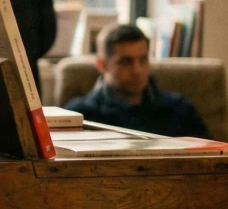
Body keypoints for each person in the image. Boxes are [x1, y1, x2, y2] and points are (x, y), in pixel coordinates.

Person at [63, 23, 209, 138]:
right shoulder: (80, 116)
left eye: (143, 60)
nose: (137, 70)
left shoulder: (179, 110)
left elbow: (213, 162)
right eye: (126, 62)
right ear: (102, 65)